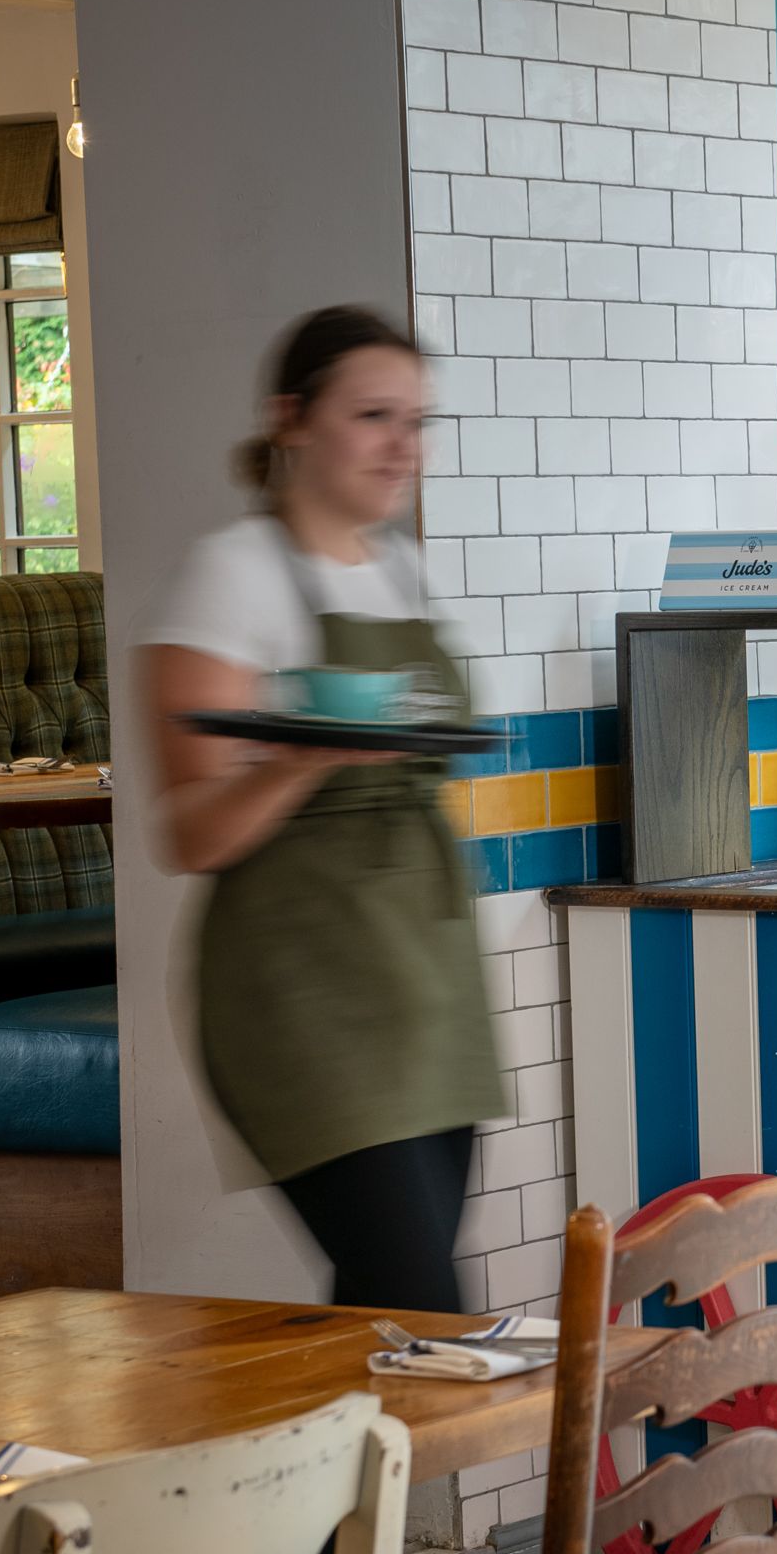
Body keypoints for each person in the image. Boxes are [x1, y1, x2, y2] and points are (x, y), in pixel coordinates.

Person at [141, 305, 504, 1314]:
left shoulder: (400, 569)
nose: (402, 447)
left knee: (391, 1313)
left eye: (417, 422)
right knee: (422, 1301)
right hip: (304, 994)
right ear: (291, 419)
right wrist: (306, 757)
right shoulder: (232, 573)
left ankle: (333, 1430)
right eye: (373, 416)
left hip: (425, 984)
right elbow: (186, 831)